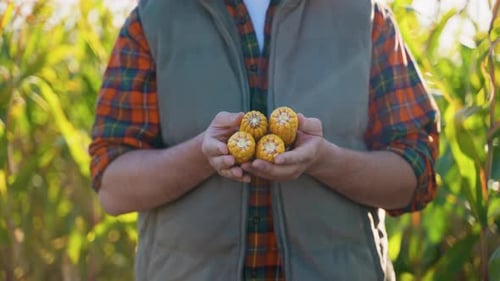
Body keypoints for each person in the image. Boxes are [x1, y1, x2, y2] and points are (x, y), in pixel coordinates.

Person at [89, 0, 440, 280]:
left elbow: (416, 176)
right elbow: (113, 188)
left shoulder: (363, 15)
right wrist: (201, 154)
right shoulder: (154, 19)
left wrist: (324, 160)